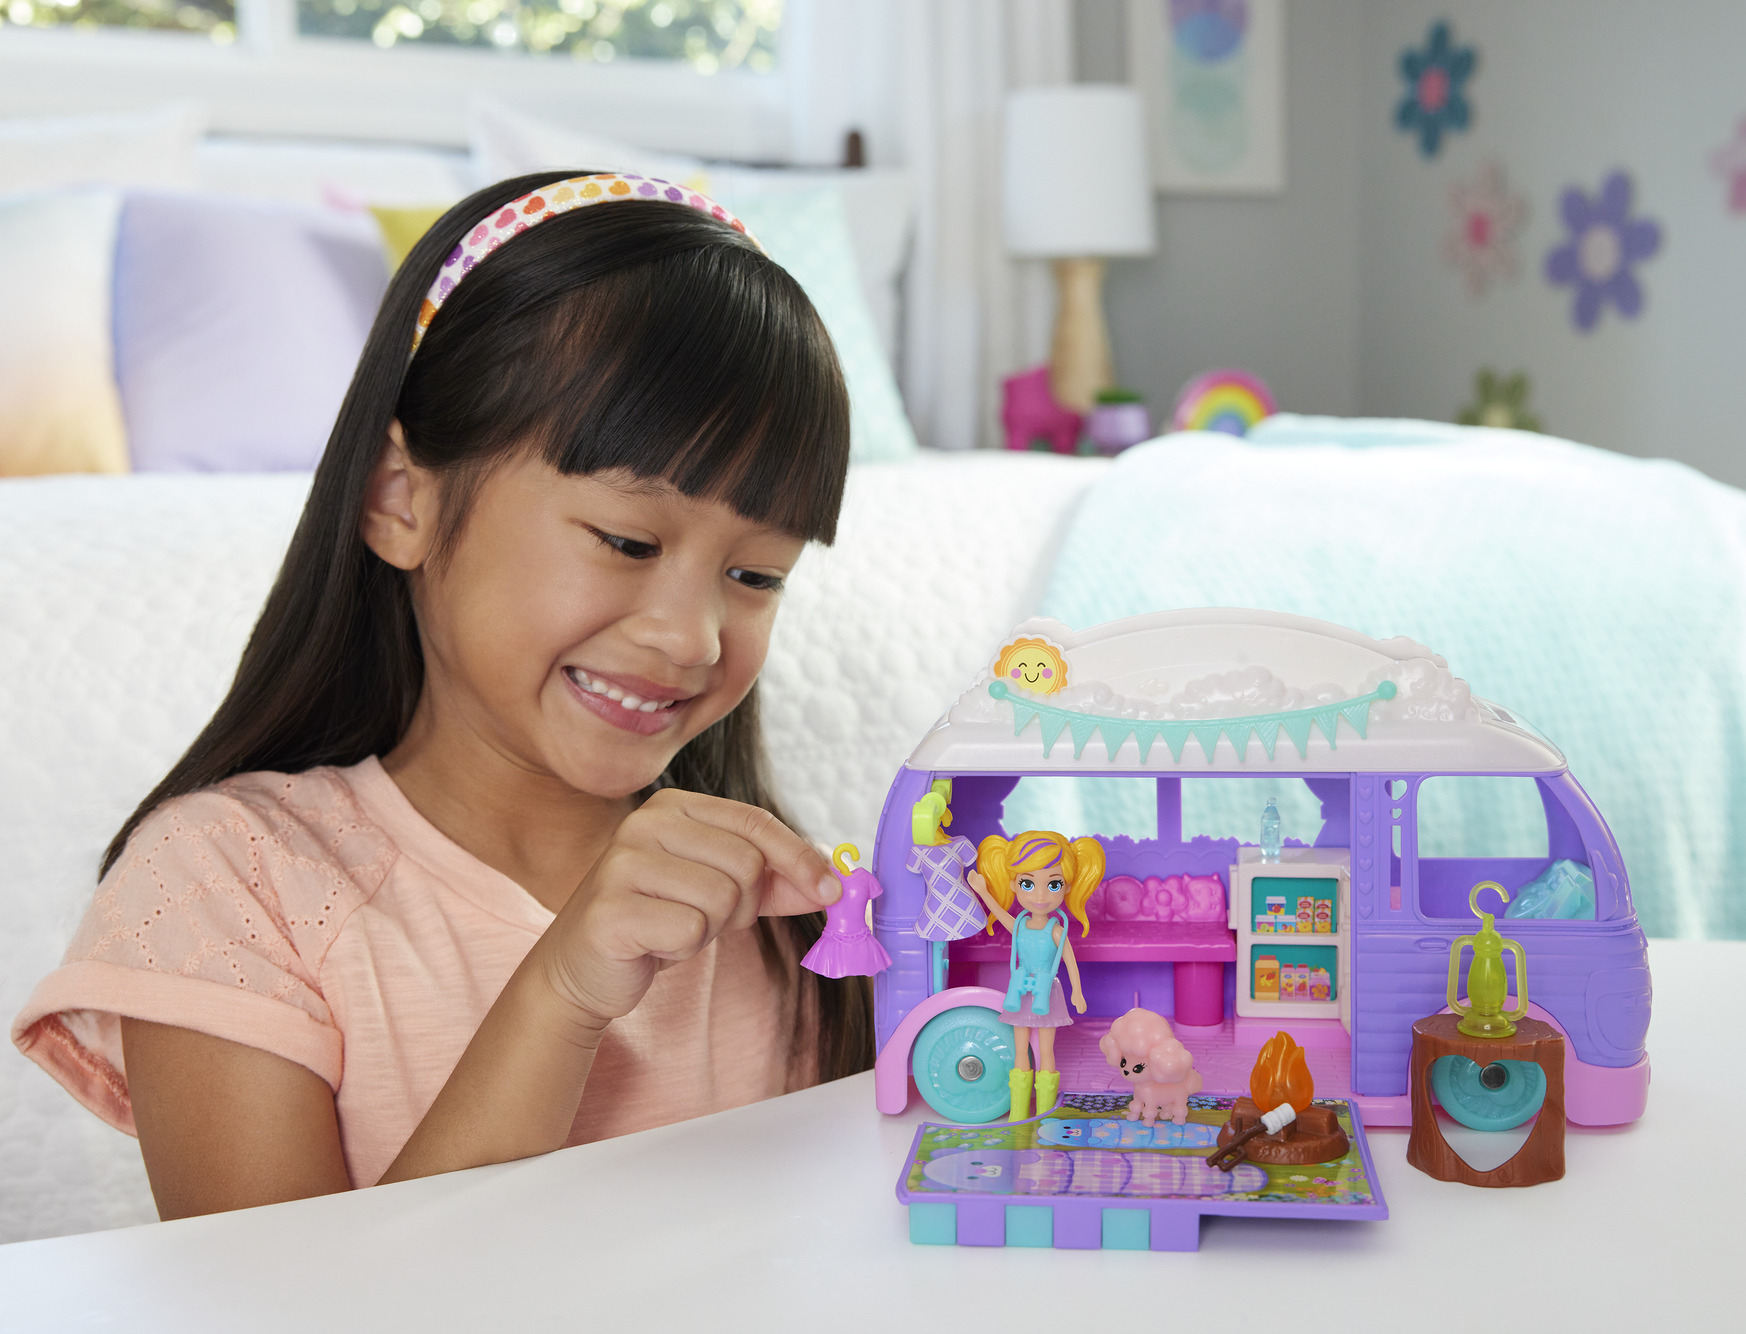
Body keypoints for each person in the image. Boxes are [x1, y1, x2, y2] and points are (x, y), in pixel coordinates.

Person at [10, 173, 872, 1219]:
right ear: (398, 500)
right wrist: (558, 997)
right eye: (627, 541)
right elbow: (279, 1298)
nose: (691, 638)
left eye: (757, 575)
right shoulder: (231, 882)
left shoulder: (778, 922)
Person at [966, 830, 1105, 1119]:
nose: (1040, 896)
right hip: (1020, 991)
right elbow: (998, 913)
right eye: (1027, 884)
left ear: (1067, 887)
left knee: (1046, 1051)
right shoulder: (1018, 925)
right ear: (1013, 884)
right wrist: (983, 891)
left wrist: (1077, 992)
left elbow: (1070, 961)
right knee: (1020, 1051)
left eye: (1054, 884)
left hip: (1047, 991)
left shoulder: (1056, 930)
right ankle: (1018, 1112)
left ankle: (1044, 1112)